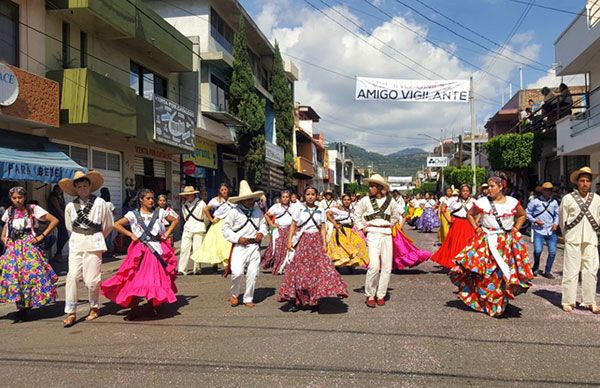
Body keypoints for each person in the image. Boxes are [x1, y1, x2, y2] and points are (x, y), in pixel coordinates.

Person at [449, 175, 533, 317]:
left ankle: (500, 302)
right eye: (488, 186)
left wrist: (516, 228)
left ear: (501, 187)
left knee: (504, 274)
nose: (489, 189)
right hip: (487, 241)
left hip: (506, 242)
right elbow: (470, 214)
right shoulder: (483, 202)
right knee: (488, 274)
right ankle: (489, 302)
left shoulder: (512, 202)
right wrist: (477, 228)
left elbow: (522, 215)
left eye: (492, 186)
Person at [101, 189, 179, 320]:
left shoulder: (159, 212)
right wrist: (131, 234)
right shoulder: (133, 214)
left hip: (155, 250)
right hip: (140, 251)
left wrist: (166, 232)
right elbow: (116, 224)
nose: (151, 200)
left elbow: (175, 220)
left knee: (152, 279)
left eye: (152, 198)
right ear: (141, 200)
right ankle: (134, 308)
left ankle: (151, 306)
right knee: (135, 279)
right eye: (148, 198)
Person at [278, 186, 348, 312]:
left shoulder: (320, 210)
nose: (310, 196)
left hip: (316, 242)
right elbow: (293, 225)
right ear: (304, 196)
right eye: (308, 194)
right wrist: (289, 241)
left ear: (316, 196)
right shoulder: (299, 209)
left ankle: (315, 298)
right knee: (299, 271)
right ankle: (297, 300)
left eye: (313, 194)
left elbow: (322, 227)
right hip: (303, 241)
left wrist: (325, 244)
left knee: (318, 271)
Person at [60, 171, 114, 327]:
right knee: (72, 277)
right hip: (76, 243)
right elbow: (69, 227)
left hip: (94, 242)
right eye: (79, 186)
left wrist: (96, 236)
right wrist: (80, 236)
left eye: (85, 185)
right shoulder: (70, 205)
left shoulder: (100, 203)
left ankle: (94, 306)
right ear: (75, 189)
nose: (82, 188)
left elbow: (108, 224)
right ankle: (71, 312)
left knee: (92, 280)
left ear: (90, 186)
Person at [0, 187, 59, 322]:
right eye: (14, 198)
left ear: (24, 197)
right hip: (14, 249)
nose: (17, 200)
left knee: (31, 276)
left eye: (19, 197)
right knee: (16, 277)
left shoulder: (32, 209)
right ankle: (21, 308)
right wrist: (6, 241)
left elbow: (54, 220)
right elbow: (4, 232)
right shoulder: (9, 212)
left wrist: (41, 236)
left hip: (28, 247)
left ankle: (27, 306)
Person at [353, 174, 402, 308]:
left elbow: (396, 216)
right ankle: (370, 294)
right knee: (374, 266)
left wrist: (388, 225)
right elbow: (356, 215)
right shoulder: (365, 200)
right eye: (370, 186)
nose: (370, 189)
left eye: (373, 186)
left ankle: (380, 295)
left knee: (386, 266)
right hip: (372, 234)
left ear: (380, 187)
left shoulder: (391, 201)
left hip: (386, 234)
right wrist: (362, 228)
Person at [559, 167, 600, 314]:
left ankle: (590, 301)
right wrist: (567, 237)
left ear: (591, 183)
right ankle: (568, 301)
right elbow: (562, 220)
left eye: (588, 181)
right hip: (573, 239)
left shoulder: (597, 199)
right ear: (577, 182)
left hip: (591, 239)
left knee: (591, 271)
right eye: (582, 181)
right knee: (571, 271)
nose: (585, 184)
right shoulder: (568, 199)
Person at [222, 181, 267, 308]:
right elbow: (225, 229)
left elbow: (263, 224)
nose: (249, 201)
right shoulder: (234, 212)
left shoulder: (257, 211)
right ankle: (235, 294)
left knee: (253, 273)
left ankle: (248, 298)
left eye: (251, 199)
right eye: (247, 199)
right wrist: (237, 238)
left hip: (254, 246)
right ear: (241, 200)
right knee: (237, 272)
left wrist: (261, 233)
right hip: (240, 246)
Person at [431, 184, 475, 269]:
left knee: (467, 243)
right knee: (454, 243)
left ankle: (466, 262)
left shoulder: (473, 201)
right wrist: (449, 220)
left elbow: (479, 212)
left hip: (468, 224)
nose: (465, 193)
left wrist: (475, 221)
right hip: (456, 223)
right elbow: (443, 208)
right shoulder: (454, 200)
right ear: (460, 192)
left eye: (467, 191)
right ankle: (454, 262)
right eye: (463, 191)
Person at [191, 183, 234, 270]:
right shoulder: (216, 200)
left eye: (225, 189)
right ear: (219, 191)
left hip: (229, 224)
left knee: (228, 245)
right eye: (222, 190)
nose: (224, 191)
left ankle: (227, 264)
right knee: (218, 244)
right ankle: (218, 263)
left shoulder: (232, 200)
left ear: (228, 190)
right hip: (218, 224)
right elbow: (206, 209)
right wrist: (211, 219)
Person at [526, 182, 559, 279]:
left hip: (551, 230)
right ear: (542, 191)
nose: (548, 192)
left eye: (550, 190)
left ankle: (547, 271)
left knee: (552, 252)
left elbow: (557, 215)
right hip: (539, 230)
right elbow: (527, 213)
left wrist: (555, 223)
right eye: (546, 190)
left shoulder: (554, 202)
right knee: (538, 250)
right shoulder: (535, 202)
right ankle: (535, 267)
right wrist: (535, 220)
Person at [326, 193, 369, 268]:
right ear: (342, 201)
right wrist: (335, 224)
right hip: (340, 231)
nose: (346, 201)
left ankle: (351, 265)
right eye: (345, 200)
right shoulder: (337, 209)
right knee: (341, 250)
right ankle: (338, 267)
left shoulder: (352, 210)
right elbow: (327, 214)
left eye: (348, 200)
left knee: (357, 245)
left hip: (349, 231)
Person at [261, 190, 294, 275]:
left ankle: (284, 267)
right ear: (280, 198)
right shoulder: (276, 207)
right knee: (277, 249)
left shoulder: (293, 207)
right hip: (279, 231)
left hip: (290, 231)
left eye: (287, 197)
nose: (285, 199)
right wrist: (271, 224)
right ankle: (276, 265)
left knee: (287, 250)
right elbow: (266, 215)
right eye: (283, 197)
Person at [391, 204, 430, 271]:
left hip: (395, 229)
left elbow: (404, 216)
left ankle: (397, 264)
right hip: (385, 228)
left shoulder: (395, 205)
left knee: (399, 248)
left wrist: (400, 227)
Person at [177, 186, 206, 275]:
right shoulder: (184, 205)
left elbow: (205, 217)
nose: (188, 196)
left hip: (199, 227)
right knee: (184, 248)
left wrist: (204, 226)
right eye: (186, 195)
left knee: (197, 248)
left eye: (189, 194)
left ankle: (197, 268)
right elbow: (185, 217)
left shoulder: (201, 204)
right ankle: (182, 269)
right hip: (188, 227)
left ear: (193, 194)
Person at [47, 184, 68, 262]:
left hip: (62, 217)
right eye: (59, 189)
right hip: (58, 218)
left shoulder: (61, 197)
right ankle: (58, 254)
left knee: (65, 236)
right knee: (63, 235)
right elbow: (58, 209)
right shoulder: (53, 197)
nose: (60, 190)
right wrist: (64, 217)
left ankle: (59, 253)